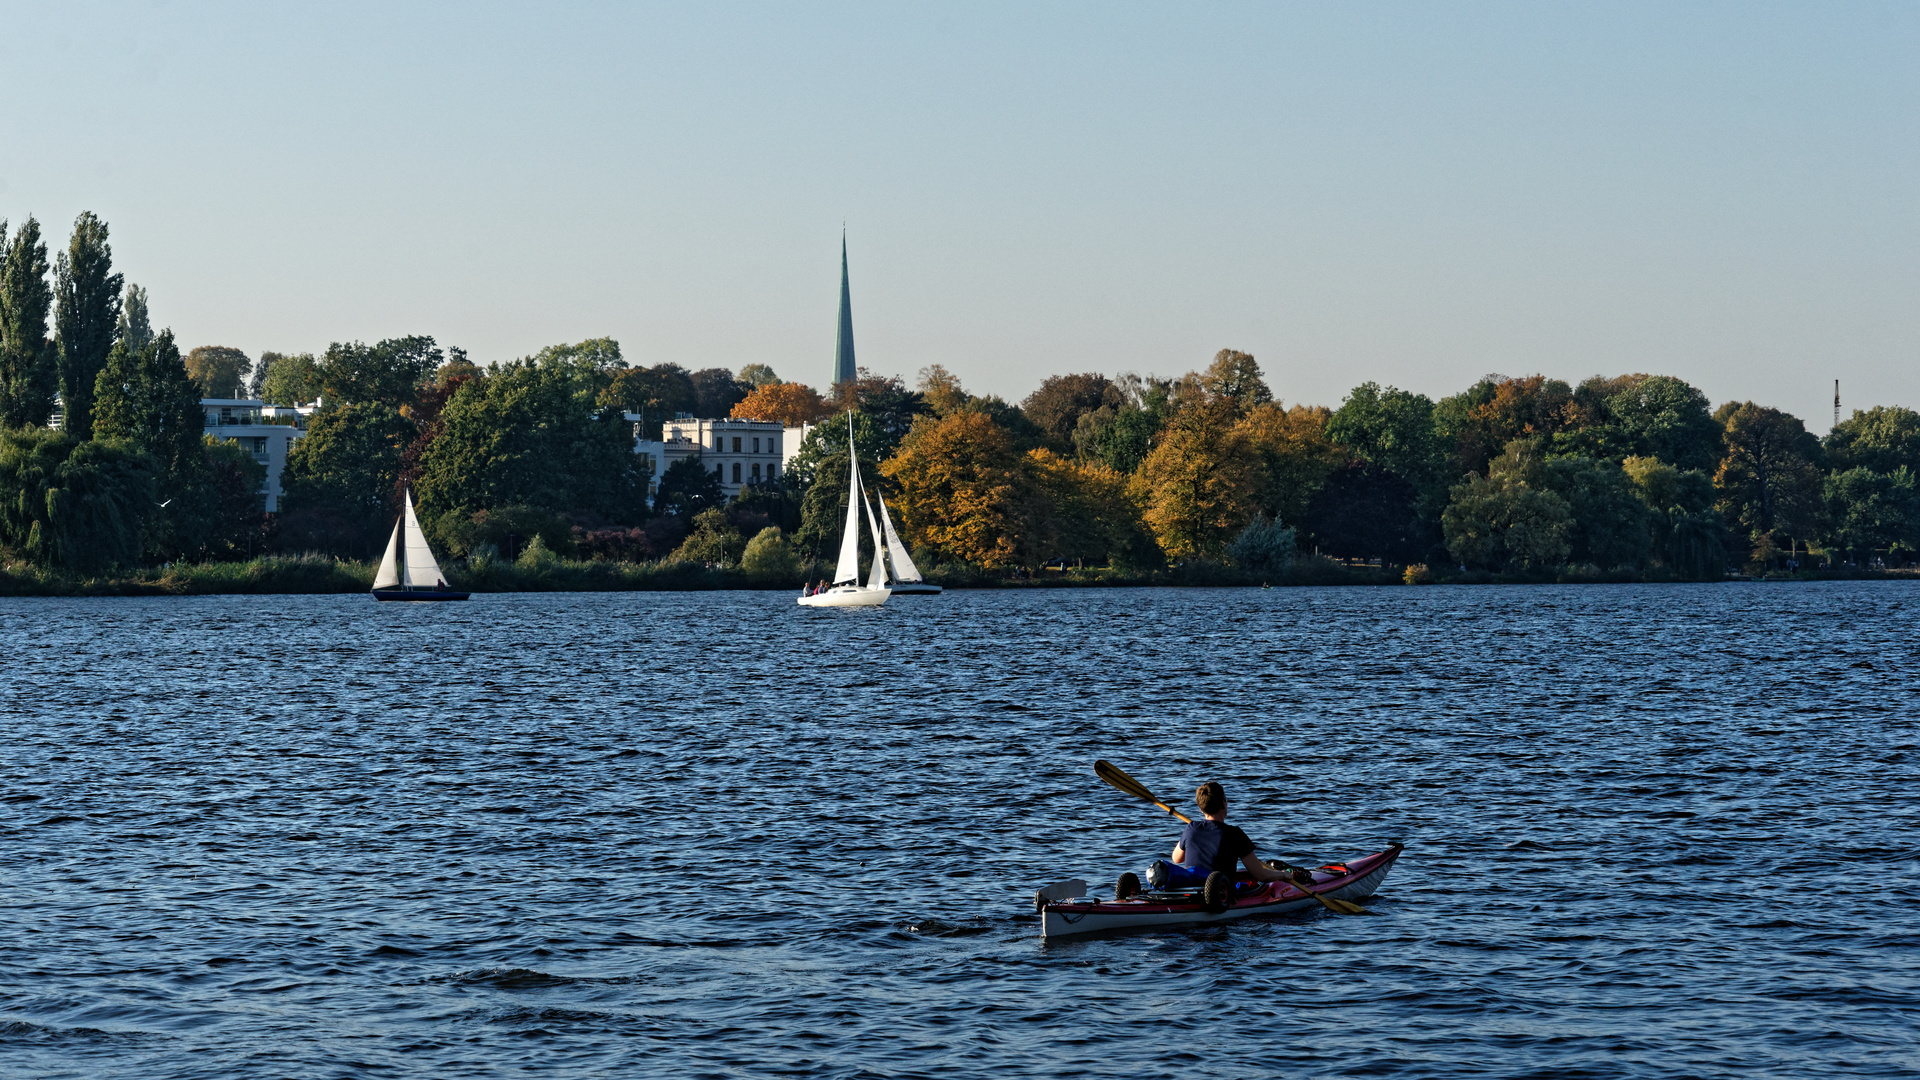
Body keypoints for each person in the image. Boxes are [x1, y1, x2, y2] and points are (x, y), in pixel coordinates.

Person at [1149, 781, 1303, 889]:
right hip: (1218, 893)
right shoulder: (1234, 833)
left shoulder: (1192, 827)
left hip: (1191, 889)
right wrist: (1284, 875)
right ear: (1224, 803)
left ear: (1201, 809)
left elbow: (1176, 858)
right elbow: (1260, 875)